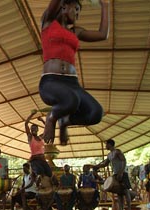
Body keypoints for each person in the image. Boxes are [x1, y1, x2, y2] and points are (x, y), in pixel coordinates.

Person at [38, 0, 109, 145]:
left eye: (79, 11)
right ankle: (52, 117)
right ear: (64, 6)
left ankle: (65, 121)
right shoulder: (48, 22)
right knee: (71, 100)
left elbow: (103, 35)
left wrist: (105, 5)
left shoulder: (75, 31)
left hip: (72, 83)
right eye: (76, 9)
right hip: (51, 82)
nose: (77, 13)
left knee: (96, 113)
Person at [93, 139, 132, 210]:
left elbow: (124, 160)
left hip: (123, 173)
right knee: (119, 192)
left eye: (106, 144)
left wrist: (121, 171)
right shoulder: (109, 155)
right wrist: (95, 166)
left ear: (110, 144)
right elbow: (105, 164)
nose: (105, 146)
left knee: (126, 191)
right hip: (116, 174)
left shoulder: (117, 152)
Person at [25, 111, 52, 177]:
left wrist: (42, 120)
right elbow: (26, 124)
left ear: (37, 130)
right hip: (35, 160)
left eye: (35, 128)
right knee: (40, 172)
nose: (33, 129)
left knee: (49, 174)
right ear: (31, 130)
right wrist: (32, 114)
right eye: (32, 129)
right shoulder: (30, 137)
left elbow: (49, 129)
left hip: (42, 159)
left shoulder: (40, 137)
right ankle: (35, 175)